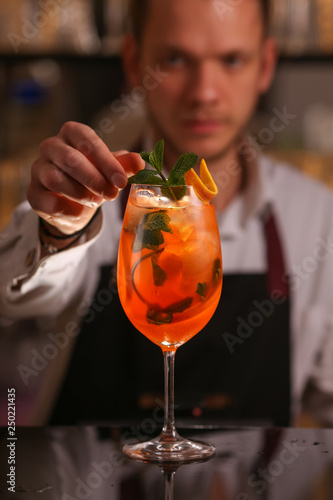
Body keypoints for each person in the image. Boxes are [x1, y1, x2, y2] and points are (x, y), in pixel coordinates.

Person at [1, 0, 333, 427]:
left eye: (232, 59)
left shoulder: (317, 215)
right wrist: (60, 230)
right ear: (134, 63)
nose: (204, 93)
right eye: (175, 59)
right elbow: (17, 301)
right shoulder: (85, 191)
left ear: (265, 65)